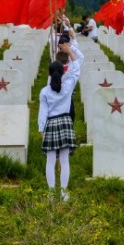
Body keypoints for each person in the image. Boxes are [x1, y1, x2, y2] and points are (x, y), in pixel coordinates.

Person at [38, 56, 79, 201]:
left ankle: (51, 193)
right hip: (65, 122)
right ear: (63, 73)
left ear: (49, 74)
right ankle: (63, 192)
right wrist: (71, 54)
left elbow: (43, 112)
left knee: (50, 161)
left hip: (51, 124)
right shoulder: (68, 87)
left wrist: (41, 129)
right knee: (64, 160)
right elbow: (76, 71)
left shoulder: (44, 92)